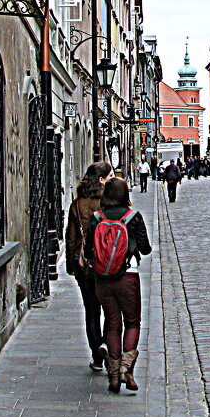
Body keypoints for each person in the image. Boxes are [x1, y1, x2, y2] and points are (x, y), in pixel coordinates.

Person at [84, 177, 151, 393]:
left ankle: (113, 375)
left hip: (102, 279)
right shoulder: (133, 217)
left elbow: (87, 251)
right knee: (132, 322)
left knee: (112, 323)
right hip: (128, 276)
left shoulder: (96, 218)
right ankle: (125, 368)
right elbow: (146, 248)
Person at [66, 161, 113, 372]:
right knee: (110, 310)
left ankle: (97, 356)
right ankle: (105, 344)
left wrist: (71, 263)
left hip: (84, 264)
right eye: (110, 176)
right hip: (106, 263)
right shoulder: (109, 202)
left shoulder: (77, 204)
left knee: (91, 310)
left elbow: (71, 237)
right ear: (102, 179)